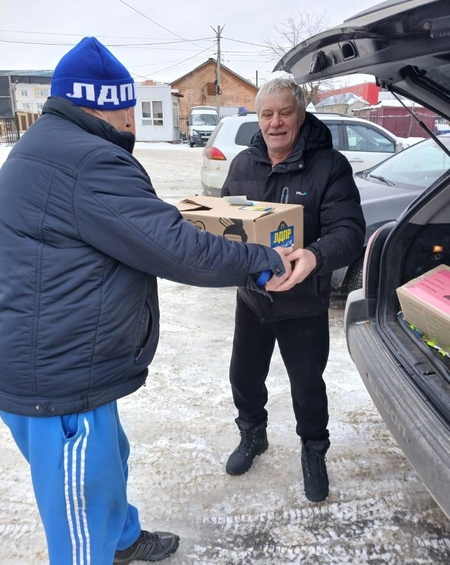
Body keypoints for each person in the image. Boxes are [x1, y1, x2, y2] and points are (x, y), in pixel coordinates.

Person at [0, 38, 296, 565]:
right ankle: (99, 548)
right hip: (57, 374)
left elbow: (130, 226)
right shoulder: (88, 160)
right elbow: (176, 247)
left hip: (58, 354)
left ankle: (122, 540)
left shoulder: (44, 145)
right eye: (129, 105)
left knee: (109, 460)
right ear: (105, 103)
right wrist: (263, 259)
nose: (134, 118)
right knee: (79, 507)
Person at [221, 78, 365, 503]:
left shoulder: (330, 166)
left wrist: (315, 256)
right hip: (253, 297)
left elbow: (350, 231)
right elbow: (225, 220)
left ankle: (313, 450)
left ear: (300, 116)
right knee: (244, 375)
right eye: (267, 114)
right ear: (258, 119)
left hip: (303, 302)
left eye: (285, 112)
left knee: (306, 383)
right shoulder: (242, 166)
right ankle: (253, 435)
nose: (276, 122)